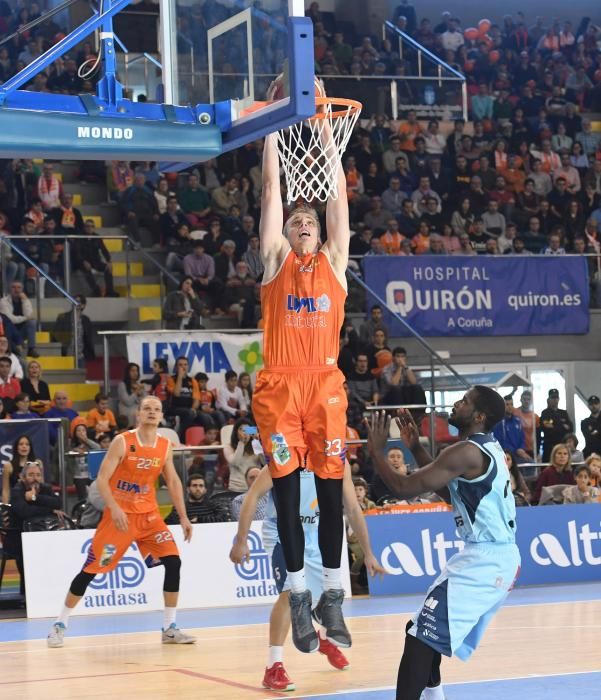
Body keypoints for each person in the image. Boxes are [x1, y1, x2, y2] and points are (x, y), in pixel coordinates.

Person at [252, 99, 352, 652]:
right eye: (297, 219)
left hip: (325, 384)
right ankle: (297, 596)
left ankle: (332, 594)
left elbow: (336, 196)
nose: (305, 221)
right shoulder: (274, 260)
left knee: (332, 491)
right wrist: (272, 120)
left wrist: (325, 132)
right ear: (288, 232)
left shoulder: (335, 262)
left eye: (310, 219)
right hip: (279, 385)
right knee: (288, 498)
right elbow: (272, 191)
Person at [366, 388, 520, 700]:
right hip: (489, 556)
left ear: (478, 416)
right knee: (420, 631)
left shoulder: (465, 451)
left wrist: (375, 453)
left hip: (486, 560)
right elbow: (455, 494)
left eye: (464, 400)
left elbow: (403, 487)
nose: (456, 403)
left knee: (421, 639)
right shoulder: (484, 448)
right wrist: (416, 450)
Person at [47, 396, 195, 648]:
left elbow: (173, 482)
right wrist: (114, 508)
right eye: (147, 408)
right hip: (119, 521)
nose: (151, 412)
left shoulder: (165, 445)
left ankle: (169, 628)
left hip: (149, 519)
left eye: (156, 409)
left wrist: (182, 516)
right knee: (92, 570)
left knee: (173, 561)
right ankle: (59, 624)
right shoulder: (123, 441)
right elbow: (102, 480)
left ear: (161, 416)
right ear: (138, 413)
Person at [229, 461, 385, 691]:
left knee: (325, 597)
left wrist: (369, 553)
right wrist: (241, 540)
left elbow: (352, 509)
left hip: (316, 536)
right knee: (290, 592)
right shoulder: (282, 459)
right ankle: (274, 666)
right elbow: (251, 497)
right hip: (281, 534)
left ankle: (322, 638)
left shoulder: (336, 462)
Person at [8, 461, 64, 594]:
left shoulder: (45, 488)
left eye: (38, 475)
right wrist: (49, 510)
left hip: (44, 535)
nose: (35, 478)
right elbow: (24, 512)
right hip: (19, 537)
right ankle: (27, 594)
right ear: (23, 477)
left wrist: (35, 497)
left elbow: (58, 503)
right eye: (31, 474)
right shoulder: (17, 490)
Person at [164, 474, 229, 524]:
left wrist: (199, 520)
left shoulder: (214, 504)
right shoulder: (179, 507)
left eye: (201, 486)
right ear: (188, 489)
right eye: (194, 485)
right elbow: (168, 524)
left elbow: (224, 518)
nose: (198, 489)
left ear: (205, 489)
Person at [222, 419, 263, 493]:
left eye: (247, 430)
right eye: (241, 429)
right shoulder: (228, 447)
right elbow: (235, 462)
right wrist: (241, 443)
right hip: (236, 489)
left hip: (254, 487)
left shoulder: (256, 446)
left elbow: (264, 462)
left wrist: (257, 442)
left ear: (251, 432)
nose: (245, 432)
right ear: (236, 432)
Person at [0, 281, 38, 357]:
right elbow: (10, 319)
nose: (16, 290)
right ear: (9, 289)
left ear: (22, 289)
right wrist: (26, 318)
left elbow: (29, 315)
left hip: (21, 330)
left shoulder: (25, 300)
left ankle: (31, 348)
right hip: (9, 331)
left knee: (32, 322)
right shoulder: (3, 301)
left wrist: (25, 300)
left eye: (19, 287)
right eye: (13, 287)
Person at [2, 434, 42, 504]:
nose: (24, 446)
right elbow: (6, 491)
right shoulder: (8, 466)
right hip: (17, 502)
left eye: (27, 444)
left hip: (34, 501)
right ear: (16, 447)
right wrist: (6, 509)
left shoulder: (37, 463)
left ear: (30, 447)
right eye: (21, 444)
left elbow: (42, 486)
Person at [492, 396, 530, 464]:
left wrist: (521, 449)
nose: (510, 406)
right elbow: (500, 442)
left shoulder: (517, 420)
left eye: (511, 404)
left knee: (531, 463)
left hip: (519, 454)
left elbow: (522, 437)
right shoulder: (499, 423)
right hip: (507, 455)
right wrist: (516, 451)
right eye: (507, 404)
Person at [540, 388, 573, 461]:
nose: (555, 400)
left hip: (562, 446)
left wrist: (554, 426)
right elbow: (547, 430)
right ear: (548, 399)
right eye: (552, 398)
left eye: (556, 398)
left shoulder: (563, 413)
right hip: (549, 447)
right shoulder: (545, 413)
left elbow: (571, 428)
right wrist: (562, 426)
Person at [117, 362, 147, 427]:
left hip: (139, 415)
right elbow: (128, 402)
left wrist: (142, 393)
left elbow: (145, 402)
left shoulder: (139, 385)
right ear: (128, 372)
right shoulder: (122, 385)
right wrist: (136, 392)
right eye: (132, 371)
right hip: (128, 415)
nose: (135, 373)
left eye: (136, 371)